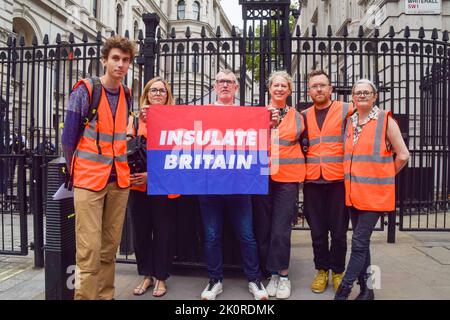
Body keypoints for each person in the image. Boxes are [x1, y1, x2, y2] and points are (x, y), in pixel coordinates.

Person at [62, 35, 136, 300]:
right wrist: (75, 171)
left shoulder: (127, 94)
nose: (120, 65)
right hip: (89, 180)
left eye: (125, 60)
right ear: (104, 60)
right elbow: (68, 139)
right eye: (115, 59)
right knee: (88, 250)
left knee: (109, 248)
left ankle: (106, 296)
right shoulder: (86, 90)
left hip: (118, 180)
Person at [334, 79, 409, 300]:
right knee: (362, 243)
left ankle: (344, 290)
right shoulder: (350, 121)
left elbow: (403, 155)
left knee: (357, 243)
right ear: (353, 97)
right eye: (358, 92)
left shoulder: (386, 120)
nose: (362, 95)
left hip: (375, 195)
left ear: (375, 96)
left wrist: (384, 175)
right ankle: (368, 290)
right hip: (353, 193)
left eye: (367, 92)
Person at [198, 69, 268, 300]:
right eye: (221, 81)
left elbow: (260, 142)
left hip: (240, 185)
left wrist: (270, 123)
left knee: (246, 235)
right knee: (211, 236)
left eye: (229, 82)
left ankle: (254, 280)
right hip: (210, 185)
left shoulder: (246, 113)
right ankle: (215, 279)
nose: (225, 85)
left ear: (236, 88)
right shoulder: (202, 112)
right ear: (214, 86)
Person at [252, 71, 305, 299]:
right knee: (263, 227)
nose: (280, 89)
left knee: (281, 228)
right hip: (262, 175)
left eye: (284, 86)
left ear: (289, 90)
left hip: (288, 177)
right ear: (269, 89)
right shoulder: (258, 114)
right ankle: (271, 272)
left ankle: (283, 275)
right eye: (276, 85)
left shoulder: (298, 116)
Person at [128, 77, 179, 298]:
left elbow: (177, 155)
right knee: (141, 231)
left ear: (167, 96)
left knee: (162, 232)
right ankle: (146, 274)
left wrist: (153, 175)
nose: (157, 94)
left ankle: (161, 277)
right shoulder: (135, 120)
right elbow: (127, 149)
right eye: (153, 90)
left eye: (162, 90)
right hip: (138, 184)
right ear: (146, 94)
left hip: (164, 184)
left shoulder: (175, 120)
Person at [303, 70, 353, 293]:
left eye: (323, 85)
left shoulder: (346, 109)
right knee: (317, 232)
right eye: (315, 86)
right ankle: (321, 270)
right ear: (309, 91)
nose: (319, 89)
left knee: (339, 233)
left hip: (338, 180)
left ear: (331, 88)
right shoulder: (303, 115)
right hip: (312, 180)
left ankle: (338, 271)